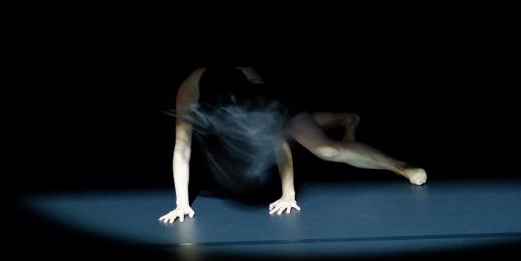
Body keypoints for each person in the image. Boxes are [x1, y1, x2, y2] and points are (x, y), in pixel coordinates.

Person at [159, 66, 427, 223]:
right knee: (295, 129)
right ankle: (346, 118)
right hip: (230, 113)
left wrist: (288, 193)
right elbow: (182, 149)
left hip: (276, 105)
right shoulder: (190, 91)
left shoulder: (257, 92)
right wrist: (182, 203)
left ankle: (400, 166)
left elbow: (279, 143)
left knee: (326, 150)